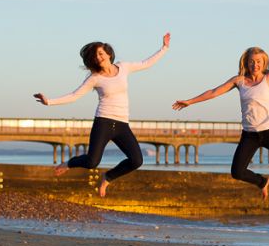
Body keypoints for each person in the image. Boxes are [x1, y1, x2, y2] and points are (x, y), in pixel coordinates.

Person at [173, 20, 269, 200]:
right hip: (249, 135)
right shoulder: (239, 81)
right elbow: (214, 91)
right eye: (252, 61)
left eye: (259, 61)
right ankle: (262, 182)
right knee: (237, 171)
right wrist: (190, 101)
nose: (255, 64)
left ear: (264, 62)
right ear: (246, 62)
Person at [34, 33, 170, 197]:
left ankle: (107, 177)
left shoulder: (123, 67)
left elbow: (146, 63)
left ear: (108, 53)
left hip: (122, 124)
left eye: (101, 53)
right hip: (103, 122)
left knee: (137, 160)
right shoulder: (95, 78)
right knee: (92, 162)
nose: (99, 57)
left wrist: (164, 48)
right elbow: (74, 95)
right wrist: (49, 102)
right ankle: (69, 163)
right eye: (95, 55)